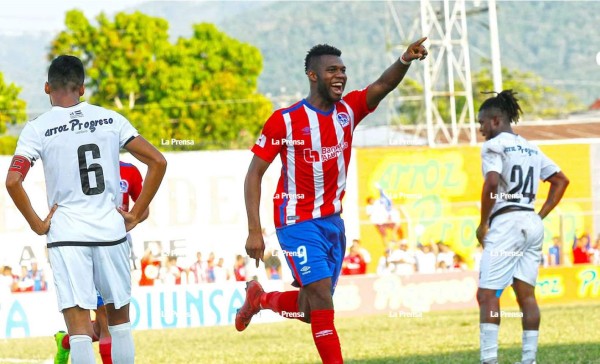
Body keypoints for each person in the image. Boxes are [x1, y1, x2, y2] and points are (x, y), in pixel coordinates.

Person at [238, 37, 428, 363]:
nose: (340, 75)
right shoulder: (284, 120)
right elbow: (253, 174)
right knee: (323, 301)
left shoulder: (349, 110)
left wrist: (404, 59)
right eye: (331, 71)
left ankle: (259, 299)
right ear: (313, 76)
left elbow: (383, 84)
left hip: (332, 223)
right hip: (296, 222)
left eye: (342, 70)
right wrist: (254, 230)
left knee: (312, 310)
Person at [5, 55, 167, 364]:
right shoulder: (111, 119)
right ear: (82, 88)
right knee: (119, 326)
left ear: (46, 87)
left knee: (79, 331)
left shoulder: (38, 128)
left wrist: (38, 224)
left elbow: (13, 181)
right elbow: (158, 161)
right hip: (111, 232)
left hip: (67, 237)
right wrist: (135, 213)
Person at [475, 90, 569, 364]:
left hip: (507, 222)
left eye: (482, 123)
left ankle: (489, 360)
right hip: (530, 220)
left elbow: (492, 183)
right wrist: (540, 216)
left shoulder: (494, 146)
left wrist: (483, 223)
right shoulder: (531, 147)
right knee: (526, 295)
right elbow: (561, 181)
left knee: (487, 293)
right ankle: (529, 360)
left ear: (495, 120)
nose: (481, 130)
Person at [54, 160, 148, 364]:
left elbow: (143, 208)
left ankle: (65, 342)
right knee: (103, 316)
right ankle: (69, 342)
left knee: (105, 318)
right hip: (82, 246)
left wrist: (130, 219)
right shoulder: (79, 161)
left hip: (116, 245)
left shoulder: (129, 170)